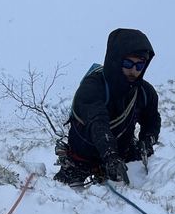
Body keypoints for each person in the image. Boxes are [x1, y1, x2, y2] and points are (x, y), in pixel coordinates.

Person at [54, 28, 161, 186]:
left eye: (139, 65)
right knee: (60, 196)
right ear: (116, 60)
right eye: (128, 63)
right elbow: (97, 123)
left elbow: (151, 119)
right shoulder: (92, 87)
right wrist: (110, 154)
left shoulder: (145, 93)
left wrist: (147, 140)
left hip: (122, 154)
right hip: (81, 157)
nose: (133, 71)